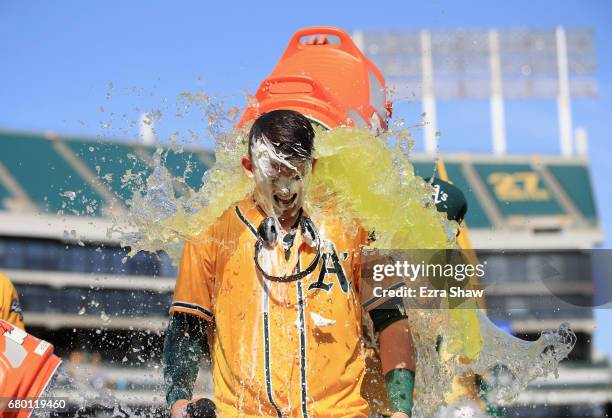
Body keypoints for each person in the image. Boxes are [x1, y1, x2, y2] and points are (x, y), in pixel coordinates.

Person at [164, 110, 416, 417]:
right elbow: (187, 325)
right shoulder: (211, 231)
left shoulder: (353, 225)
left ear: (313, 167)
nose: (285, 190)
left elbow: (390, 318)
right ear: (248, 167)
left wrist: (402, 409)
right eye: (274, 176)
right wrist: (179, 401)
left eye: (296, 174)